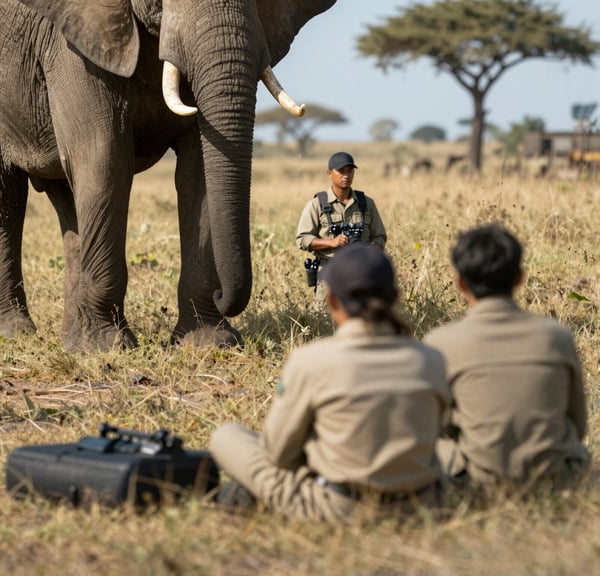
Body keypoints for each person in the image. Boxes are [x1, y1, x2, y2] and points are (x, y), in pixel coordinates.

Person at [209, 244, 449, 522]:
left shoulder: (311, 361)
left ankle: (251, 496)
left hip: (336, 507)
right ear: (395, 298)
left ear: (332, 301)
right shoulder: (432, 359)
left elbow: (278, 454)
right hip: (422, 505)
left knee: (226, 436)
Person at [424, 224, 590, 491]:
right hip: (556, 477)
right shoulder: (558, 337)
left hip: (477, 482)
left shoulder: (440, 343)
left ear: (460, 283)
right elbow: (578, 425)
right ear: (520, 278)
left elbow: (436, 427)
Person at [296, 151, 387, 300]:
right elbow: (302, 239)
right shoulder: (317, 204)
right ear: (329, 173)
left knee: (361, 316)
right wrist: (332, 242)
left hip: (361, 272)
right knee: (324, 318)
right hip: (330, 272)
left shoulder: (366, 203)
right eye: (341, 171)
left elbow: (380, 236)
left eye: (350, 171)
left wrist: (371, 250)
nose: (346, 175)